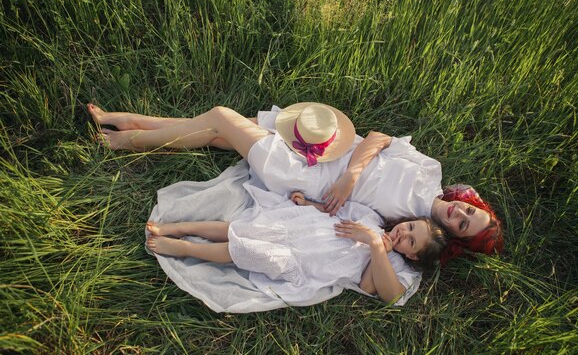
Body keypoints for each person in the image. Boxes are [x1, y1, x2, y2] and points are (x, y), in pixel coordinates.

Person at [88, 102, 503, 262]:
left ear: (453, 235)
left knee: (219, 118)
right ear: (469, 200)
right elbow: (378, 138)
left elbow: (344, 220)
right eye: (470, 210)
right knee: (220, 135)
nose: (460, 213)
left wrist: (319, 201)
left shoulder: (406, 222)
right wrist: (351, 176)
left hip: (303, 173)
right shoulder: (431, 171)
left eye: (463, 223)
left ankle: (126, 139)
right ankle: (134, 121)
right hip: (327, 146)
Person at [146, 191, 447, 304]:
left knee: (247, 250)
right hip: (303, 228)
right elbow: (335, 213)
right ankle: (180, 227)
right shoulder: (373, 219)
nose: (402, 234)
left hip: (303, 260)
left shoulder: (393, 265)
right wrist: (310, 204)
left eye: (410, 240)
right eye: (409, 227)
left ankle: (185, 248)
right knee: (239, 230)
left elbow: (371, 288)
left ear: (413, 255)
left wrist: (376, 247)